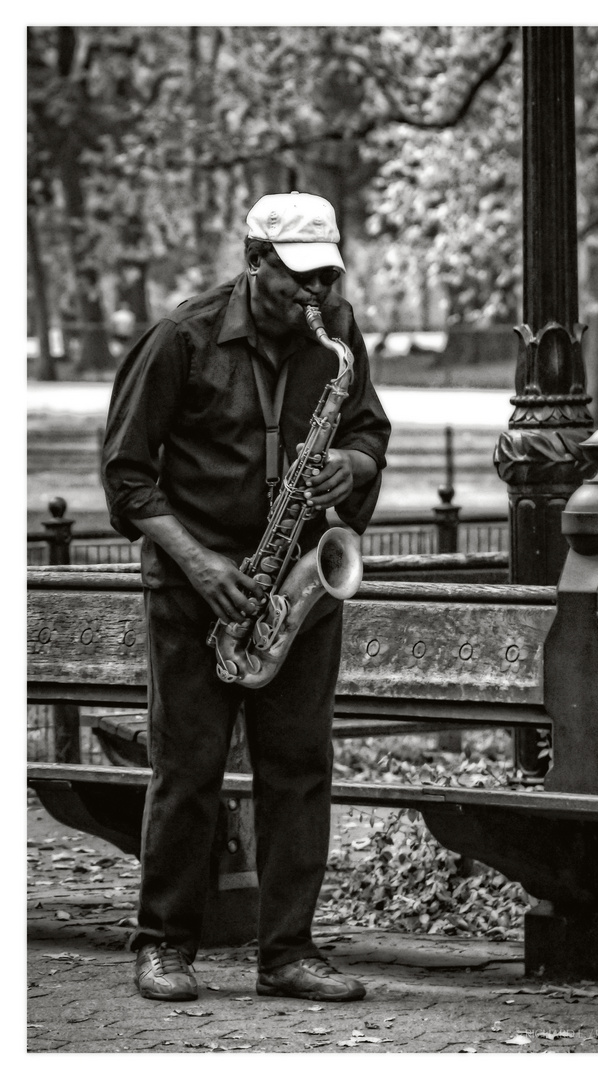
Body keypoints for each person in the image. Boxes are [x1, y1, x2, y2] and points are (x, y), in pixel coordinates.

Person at [102, 192, 391, 1003]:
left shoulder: (334, 334)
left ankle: (288, 953)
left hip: (294, 587)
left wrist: (356, 469)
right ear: (251, 259)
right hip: (196, 591)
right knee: (187, 771)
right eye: (296, 280)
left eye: (325, 278)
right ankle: (163, 944)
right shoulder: (181, 339)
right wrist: (201, 567)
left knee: (299, 769)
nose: (312, 297)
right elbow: (126, 478)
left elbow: (368, 427)